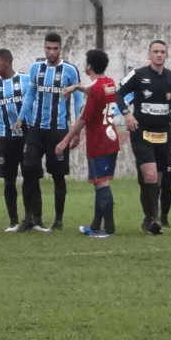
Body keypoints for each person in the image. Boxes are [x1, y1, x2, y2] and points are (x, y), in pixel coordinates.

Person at [115, 40, 171, 236]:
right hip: (142, 133)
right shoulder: (138, 75)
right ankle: (153, 220)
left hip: (163, 135)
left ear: (167, 55)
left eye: (162, 52)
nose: (159, 55)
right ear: (149, 54)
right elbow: (118, 93)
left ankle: (148, 218)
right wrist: (127, 114)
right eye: (155, 51)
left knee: (158, 179)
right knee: (150, 175)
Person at [14, 32, 83, 232]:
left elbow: (78, 100)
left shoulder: (70, 70)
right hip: (36, 129)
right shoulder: (36, 68)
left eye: (55, 48)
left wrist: (77, 130)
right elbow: (30, 94)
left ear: (60, 49)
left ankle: (58, 220)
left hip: (59, 131)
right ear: (44, 48)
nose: (51, 52)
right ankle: (31, 218)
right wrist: (21, 117)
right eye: (48, 48)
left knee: (58, 175)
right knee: (28, 170)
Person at [55, 49, 119, 237]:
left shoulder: (95, 92)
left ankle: (109, 229)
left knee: (101, 184)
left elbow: (82, 120)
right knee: (100, 182)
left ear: (88, 66)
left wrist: (64, 142)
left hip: (99, 141)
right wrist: (76, 87)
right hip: (111, 137)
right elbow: (93, 87)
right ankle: (95, 226)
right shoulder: (109, 83)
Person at [0, 48, 29, 232]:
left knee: (30, 178)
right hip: (5, 139)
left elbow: (34, 104)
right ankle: (13, 221)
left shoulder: (25, 80)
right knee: (8, 180)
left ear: (6, 62)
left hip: (25, 137)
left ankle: (32, 219)